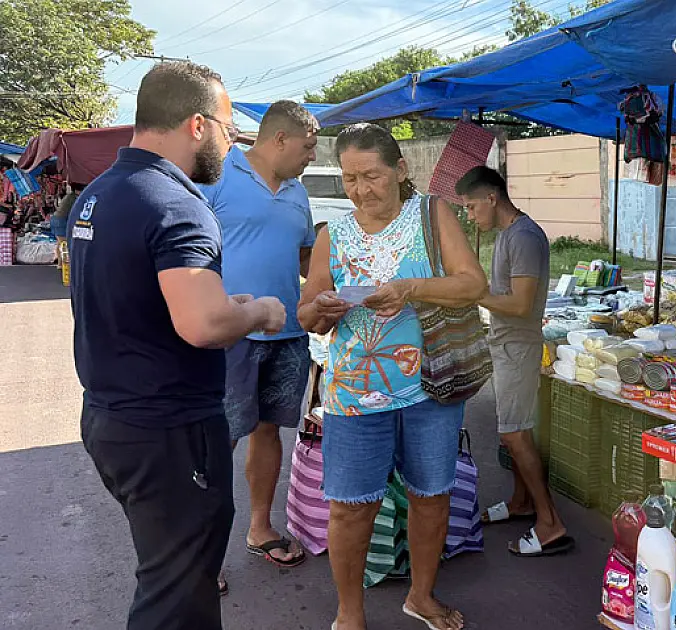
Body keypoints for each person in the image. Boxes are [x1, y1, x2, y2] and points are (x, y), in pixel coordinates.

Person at [69, 61, 286, 630]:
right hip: (168, 431)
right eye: (228, 127)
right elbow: (202, 326)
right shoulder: (175, 202)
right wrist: (260, 310)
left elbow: (146, 298)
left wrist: (222, 303)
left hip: (112, 418)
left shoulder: (100, 194)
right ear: (197, 124)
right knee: (177, 597)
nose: (230, 140)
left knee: (166, 571)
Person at [298, 123, 486, 630]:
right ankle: (349, 615)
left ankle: (421, 597)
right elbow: (306, 313)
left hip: (430, 386)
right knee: (351, 509)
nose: (361, 189)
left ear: (401, 171)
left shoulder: (431, 215)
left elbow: (473, 284)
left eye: (373, 175)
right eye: (351, 179)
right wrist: (323, 308)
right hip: (355, 397)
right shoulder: (330, 236)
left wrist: (410, 288)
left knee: (431, 495)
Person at [197, 100, 319, 569]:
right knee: (218, 437)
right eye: (307, 147)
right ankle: (200, 557)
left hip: (288, 334)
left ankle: (260, 527)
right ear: (280, 139)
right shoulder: (218, 178)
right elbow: (188, 251)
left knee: (269, 431)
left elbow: (307, 258)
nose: (311, 156)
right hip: (232, 333)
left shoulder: (298, 193)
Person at [457, 166, 572, 558]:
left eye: (472, 207)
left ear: (491, 197)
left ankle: (550, 522)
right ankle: (522, 501)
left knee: (514, 434)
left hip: (519, 348)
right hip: (506, 344)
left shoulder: (524, 237)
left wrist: (474, 294)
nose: (471, 216)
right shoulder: (508, 235)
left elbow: (522, 306)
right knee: (517, 429)